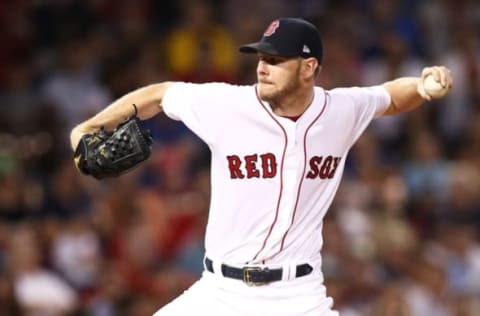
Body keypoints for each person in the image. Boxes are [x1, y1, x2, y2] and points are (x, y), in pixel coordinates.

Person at [70, 17, 453, 316]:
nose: (262, 68)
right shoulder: (227, 105)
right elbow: (160, 94)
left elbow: (388, 97)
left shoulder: (340, 109)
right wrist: (90, 127)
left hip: (298, 295)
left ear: (308, 67)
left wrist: (420, 86)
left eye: (275, 60)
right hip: (220, 292)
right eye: (260, 58)